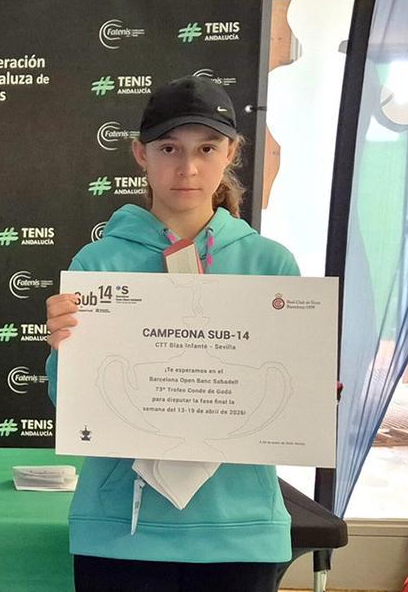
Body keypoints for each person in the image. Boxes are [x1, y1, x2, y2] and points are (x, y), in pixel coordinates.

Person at [44, 77, 299, 592]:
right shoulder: (99, 263)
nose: (188, 167)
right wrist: (62, 348)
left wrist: (311, 388)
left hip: (239, 529)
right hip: (121, 529)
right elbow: (68, 399)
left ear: (231, 152)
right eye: (169, 148)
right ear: (141, 154)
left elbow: (289, 396)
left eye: (207, 148)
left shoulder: (270, 264)